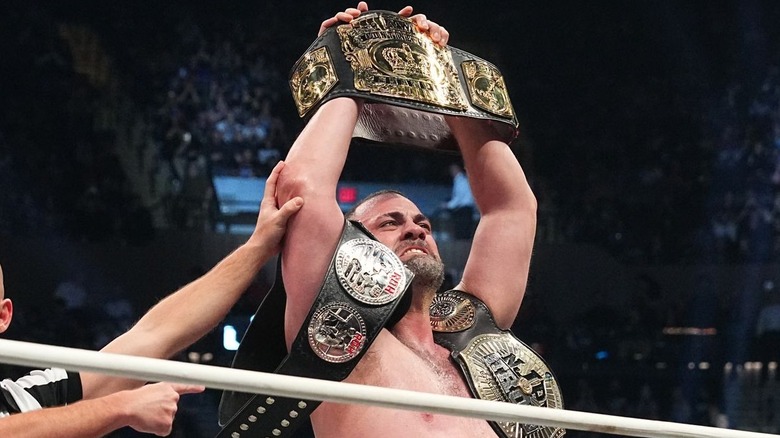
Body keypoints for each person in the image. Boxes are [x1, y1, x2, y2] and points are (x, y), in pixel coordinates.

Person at [274, 4, 537, 437]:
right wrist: (347, 64)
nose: (415, 228)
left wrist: (445, 78)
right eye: (390, 223)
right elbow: (305, 190)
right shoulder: (336, 332)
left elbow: (512, 210)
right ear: (348, 251)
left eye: (422, 223)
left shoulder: (470, 337)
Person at [0, 161, 303, 437]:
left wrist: (257, 247)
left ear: (4, 316)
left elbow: (158, 332)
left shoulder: (31, 396)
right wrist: (123, 406)